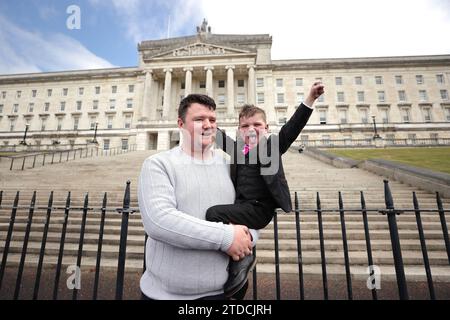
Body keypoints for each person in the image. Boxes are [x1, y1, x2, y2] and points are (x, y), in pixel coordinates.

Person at [205, 82, 325, 298]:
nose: (251, 129)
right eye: (245, 126)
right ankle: (237, 276)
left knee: (213, 213)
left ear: (267, 128)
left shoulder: (272, 146)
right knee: (234, 276)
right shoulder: (238, 149)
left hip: (259, 209)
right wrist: (203, 118)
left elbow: (293, 127)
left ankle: (244, 255)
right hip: (241, 208)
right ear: (239, 131)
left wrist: (310, 99)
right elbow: (218, 134)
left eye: (257, 125)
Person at [138, 94, 258, 300]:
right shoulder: (158, 163)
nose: (207, 125)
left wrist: (248, 238)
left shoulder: (232, 166)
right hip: (165, 296)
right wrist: (226, 237)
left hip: (224, 293)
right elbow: (159, 221)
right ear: (181, 123)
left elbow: (252, 210)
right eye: (199, 119)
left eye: (212, 120)